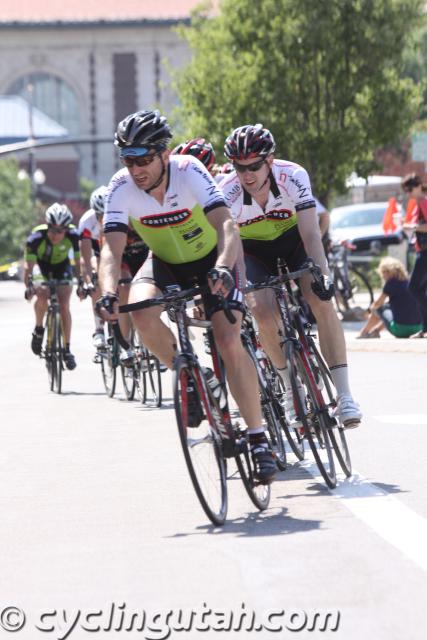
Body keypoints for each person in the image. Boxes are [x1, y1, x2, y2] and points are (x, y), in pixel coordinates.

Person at [97, 109, 276, 483]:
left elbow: (226, 224)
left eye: (144, 158)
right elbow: (111, 250)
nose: (136, 168)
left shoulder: (189, 170)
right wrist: (108, 292)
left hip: (215, 259)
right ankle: (191, 376)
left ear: (165, 154)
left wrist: (225, 267)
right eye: (128, 160)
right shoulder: (120, 187)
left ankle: (258, 437)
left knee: (228, 340)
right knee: (141, 312)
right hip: (164, 262)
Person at [221, 123, 362, 428]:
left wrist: (322, 274)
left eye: (254, 167)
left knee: (321, 301)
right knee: (261, 310)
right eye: (239, 167)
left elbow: (312, 233)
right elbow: (231, 246)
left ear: (270, 161)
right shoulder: (227, 192)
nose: (247, 175)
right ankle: (289, 387)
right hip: (254, 252)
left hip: (295, 242)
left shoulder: (293, 176)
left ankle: (345, 394)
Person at [24, 202, 80, 370]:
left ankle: (67, 349)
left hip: (62, 267)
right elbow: (29, 267)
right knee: (42, 292)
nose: (55, 235)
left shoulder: (73, 236)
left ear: (66, 229)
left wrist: (83, 282)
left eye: (60, 231)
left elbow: (78, 263)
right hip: (42, 266)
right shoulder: (36, 238)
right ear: (47, 226)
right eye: (52, 229)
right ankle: (39, 328)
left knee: (64, 303)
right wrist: (29, 285)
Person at [356, 257, 423, 339]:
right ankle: (376, 331)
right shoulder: (408, 283)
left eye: (385, 272)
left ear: (392, 272)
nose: (383, 275)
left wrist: (368, 312)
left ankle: (363, 332)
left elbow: (377, 304)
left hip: (400, 330)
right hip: (418, 328)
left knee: (380, 308)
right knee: (388, 308)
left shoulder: (391, 283)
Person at [78, 185, 108, 348]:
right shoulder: (86, 221)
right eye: (99, 214)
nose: (102, 218)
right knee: (96, 281)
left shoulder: (122, 214)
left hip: (116, 244)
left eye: (106, 214)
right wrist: (88, 280)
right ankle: (99, 330)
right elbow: (86, 257)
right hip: (96, 249)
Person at [401, 173, 427, 338]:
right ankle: (424, 328)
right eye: (406, 191)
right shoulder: (419, 203)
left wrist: (413, 227)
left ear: (418, 186)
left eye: (410, 189)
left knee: (413, 287)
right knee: (420, 289)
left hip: (425, 252)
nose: (408, 194)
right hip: (422, 250)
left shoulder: (423, 202)